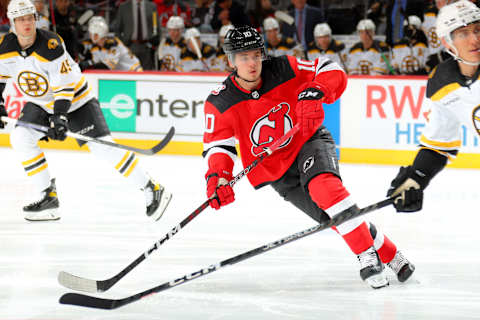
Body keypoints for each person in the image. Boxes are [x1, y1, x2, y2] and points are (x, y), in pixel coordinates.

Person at [202, 25, 415, 289]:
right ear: (230, 60)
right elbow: (218, 147)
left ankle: (365, 256)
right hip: (276, 171)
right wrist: (218, 178)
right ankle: (393, 255)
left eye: (256, 54)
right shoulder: (220, 102)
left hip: (308, 140)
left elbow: (331, 69)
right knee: (335, 217)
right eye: (244, 57)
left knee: (326, 189)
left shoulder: (283, 68)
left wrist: (317, 90)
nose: (252, 62)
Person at [0, 0, 171, 221]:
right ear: (12, 22)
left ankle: (151, 187)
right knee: (21, 137)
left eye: (30, 18)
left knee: (103, 148)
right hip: (41, 103)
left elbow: (64, 87)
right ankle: (48, 197)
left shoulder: (50, 45)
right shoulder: (6, 48)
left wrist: (60, 118)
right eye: (21, 19)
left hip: (76, 100)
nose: (27, 23)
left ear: (36, 18)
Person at [387, 1, 480, 213]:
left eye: (478, 29)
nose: (475, 39)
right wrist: (416, 178)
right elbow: (439, 144)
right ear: (447, 42)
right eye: (463, 33)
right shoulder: (442, 83)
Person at [79, 16, 143, 71]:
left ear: (98, 34)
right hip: (120, 74)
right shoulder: (95, 47)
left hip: (134, 71)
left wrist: (89, 63)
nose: (90, 36)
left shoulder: (114, 44)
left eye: (92, 34)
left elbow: (108, 66)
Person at [111, 0, 160, 70]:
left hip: (147, 47)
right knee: (130, 72)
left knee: (147, 74)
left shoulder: (152, 6)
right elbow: (117, 29)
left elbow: (157, 27)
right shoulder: (123, 7)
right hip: (129, 46)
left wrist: (156, 43)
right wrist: (122, 45)